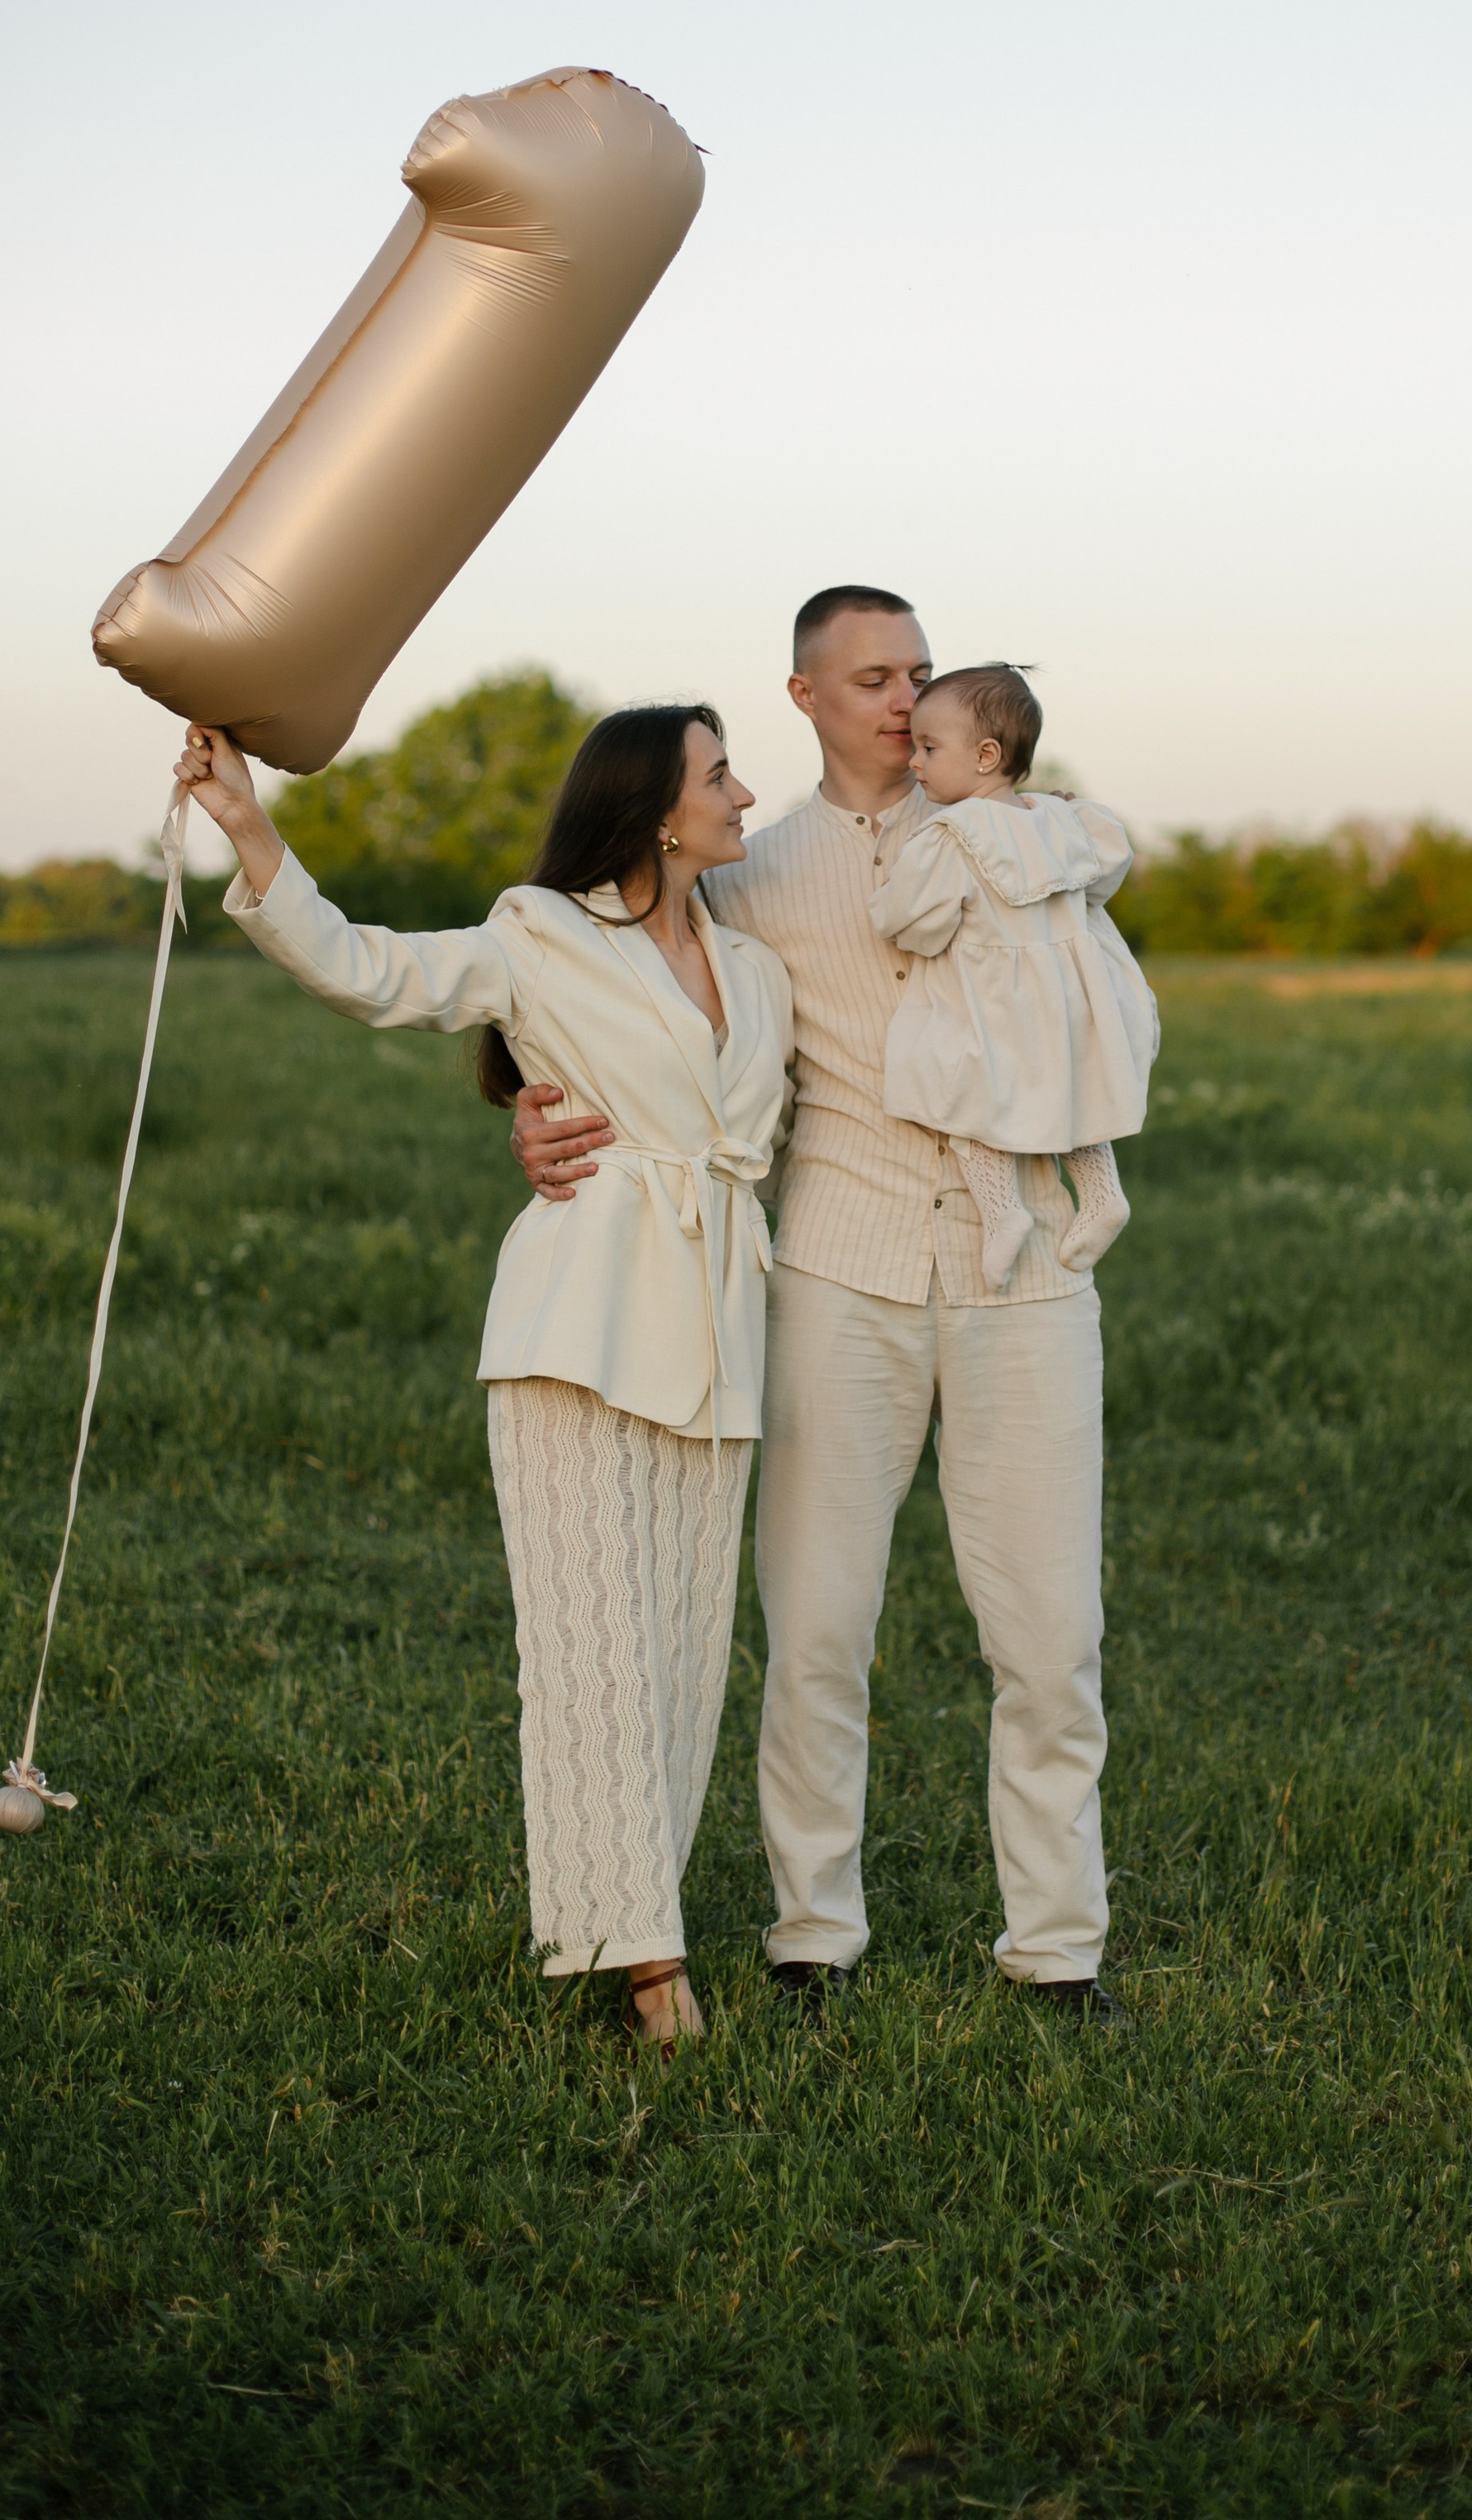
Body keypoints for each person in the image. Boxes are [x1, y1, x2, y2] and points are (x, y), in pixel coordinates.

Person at [516, 589, 1124, 2021]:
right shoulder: (752, 872)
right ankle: (812, 1940)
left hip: (1029, 1273)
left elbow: (1089, 998)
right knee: (818, 1632)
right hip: (840, 1275)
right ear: (804, 696)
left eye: (921, 674)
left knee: (1051, 1638)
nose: (906, 700)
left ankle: (1058, 1952)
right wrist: (533, 1112)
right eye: (873, 678)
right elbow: (617, 998)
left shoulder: (1031, 835)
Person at [173, 704, 792, 2056]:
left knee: (685, 1650)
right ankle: (648, 1964)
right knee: (592, 1647)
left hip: (720, 1333)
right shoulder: (539, 931)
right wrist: (250, 824)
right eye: (719, 774)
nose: (745, 793)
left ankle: (634, 1912)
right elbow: (372, 971)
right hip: (578, 1326)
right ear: (655, 812)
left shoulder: (758, 965)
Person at [872, 661, 1157, 1288]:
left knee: (968, 1096)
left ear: (985, 755)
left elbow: (914, 925)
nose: (914, 762)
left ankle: (1003, 1211)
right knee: (1077, 1091)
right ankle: (1101, 1193)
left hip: (994, 1002)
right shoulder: (1062, 819)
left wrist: (893, 890)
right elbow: (1101, 880)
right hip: (1070, 1001)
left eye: (928, 748)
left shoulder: (953, 835)